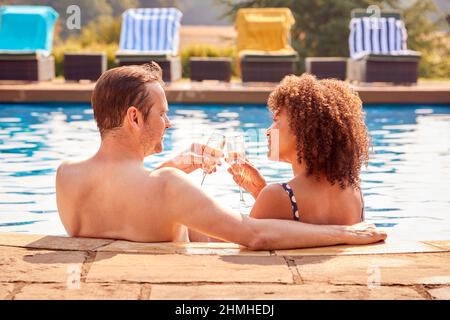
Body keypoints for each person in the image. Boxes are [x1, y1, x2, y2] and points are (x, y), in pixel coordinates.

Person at [56, 63, 386, 250]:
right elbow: (255, 234)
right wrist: (346, 234)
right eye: (162, 114)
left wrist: (171, 166)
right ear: (134, 118)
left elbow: (125, 199)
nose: (168, 123)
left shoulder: (67, 177)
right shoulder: (169, 187)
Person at [228, 74, 369, 226]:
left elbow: (244, 241)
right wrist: (260, 192)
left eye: (276, 121)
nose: (268, 131)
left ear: (301, 130)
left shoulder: (279, 197)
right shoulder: (354, 193)